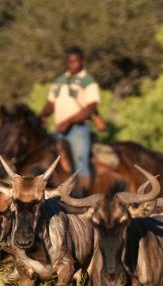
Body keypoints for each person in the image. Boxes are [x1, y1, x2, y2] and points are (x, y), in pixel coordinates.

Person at [39, 47, 100, 193]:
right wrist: (40, 116)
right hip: (59, 129)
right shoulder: (59, 81)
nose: (73, 64)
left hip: (78, 129)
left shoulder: (88, 81)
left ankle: (84, 197)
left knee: (80, 162)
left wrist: (69, 121)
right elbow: (51, 103)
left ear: (82, 61)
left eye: (76, 61)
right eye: (70, 61)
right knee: (48, 159)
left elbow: (90, 108)